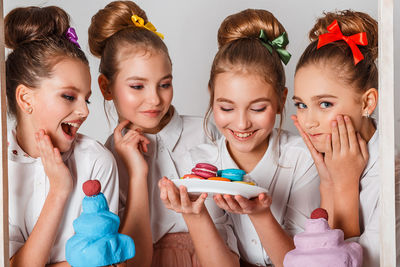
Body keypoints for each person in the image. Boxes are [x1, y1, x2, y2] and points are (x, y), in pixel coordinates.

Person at [159, 9, 320, 267]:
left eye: (257, 108)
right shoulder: (203, 161)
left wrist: (261, 214)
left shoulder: (303, 158)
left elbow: (302, 263)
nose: (242, 123)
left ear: (281, 100)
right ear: (211, 96)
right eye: (226, 108)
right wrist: (193, 215)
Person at [88, 1, 236, 266]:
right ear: (106, 87)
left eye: (164, 84)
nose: (155, 99)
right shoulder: (103, 160)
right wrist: (137, 174)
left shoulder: (208, 132)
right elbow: (132, 262)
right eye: (137, 86)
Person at [5, 6, 119, 266]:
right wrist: (59, 190)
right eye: (69, 96)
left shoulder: (97, 162)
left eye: (87, 99)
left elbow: (102, 260)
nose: (84, 111)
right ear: (25, 98)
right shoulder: (3, 169)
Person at [291, 10, 381, 267]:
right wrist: (328, 184)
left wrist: (343, 186)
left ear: (367, 102)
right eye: (301, 105)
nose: (308, 121)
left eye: (325, 103)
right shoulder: (317, 160)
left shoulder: (391, 178)